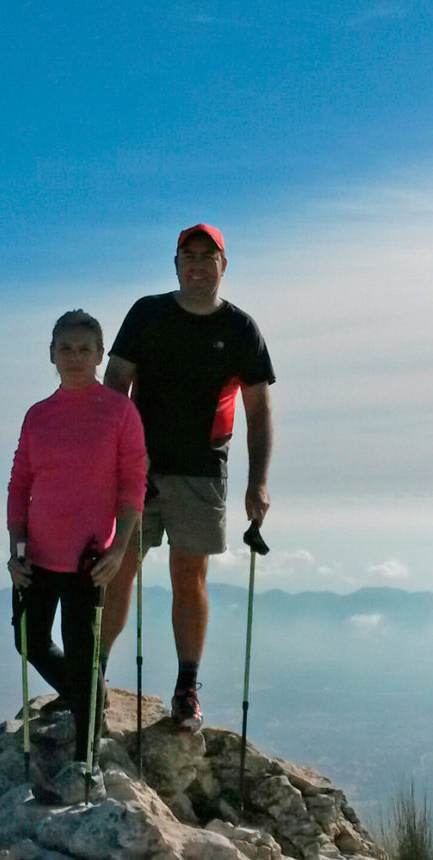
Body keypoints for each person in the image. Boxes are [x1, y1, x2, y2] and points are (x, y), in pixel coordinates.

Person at [101, 224, 275, 733]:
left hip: (202, 470)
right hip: (139, 468)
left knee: (188, 578)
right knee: (118, 572)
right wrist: (105, 463)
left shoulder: (242, 330)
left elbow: (259, 411)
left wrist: (257, 482)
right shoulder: (147, 313)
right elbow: (115, 387)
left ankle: (186, 689)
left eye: (208, 256)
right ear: (175, 263)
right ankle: (95, 679)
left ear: (224, 265)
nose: (198, 264)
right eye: (188, 255)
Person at [8, 310, 146, 798]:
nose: (74, 357)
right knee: (30, 640)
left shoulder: (118, 412)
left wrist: (120, 547)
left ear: (100, 355)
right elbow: (20, 483)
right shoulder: (38, 415)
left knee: (85, 652)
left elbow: (133, 484)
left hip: (89, 558)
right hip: (38, 556)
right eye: (65, 348)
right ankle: (88, 697)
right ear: (50, 354)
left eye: (84, 349)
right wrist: (16, 550)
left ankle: (87, 760)